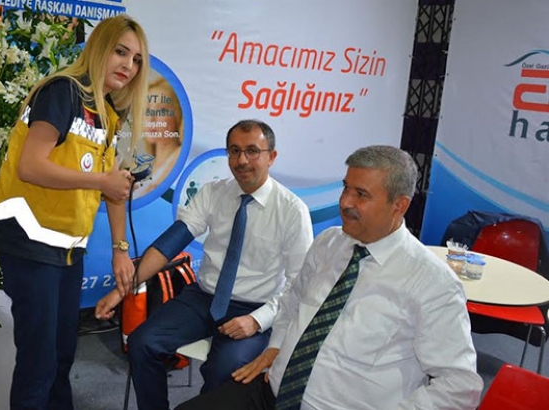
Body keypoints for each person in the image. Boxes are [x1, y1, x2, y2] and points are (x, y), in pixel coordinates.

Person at [175, 145, 484, 410]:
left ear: (399, 206)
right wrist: (276, 346)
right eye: (346, 188)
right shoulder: (329, 243)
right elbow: (293, 300)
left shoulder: (433, 282)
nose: (345, 202)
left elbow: (459, 386)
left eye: (361, 194)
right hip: (273, 392)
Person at [0, 15, 150, 410]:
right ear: (99, 49)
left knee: (61, 357)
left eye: (137, 59)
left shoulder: (106, 112)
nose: (128, 65)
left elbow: (114, 188)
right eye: (121, 52)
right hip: (28, 242)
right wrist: (101, 181)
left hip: (67, 251)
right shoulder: (62, 91)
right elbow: (30, 166)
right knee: (38, 364)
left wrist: (121, 249)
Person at [96, 119, 315, 410]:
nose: (242, 160)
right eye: (234, 151)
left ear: (271, 157)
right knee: (142, 342)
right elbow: (168, 245)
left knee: (225, 371)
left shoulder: (292, 211)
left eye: (252, 151)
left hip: (255, 307)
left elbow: (299, 284)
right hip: (204, 298)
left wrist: (257, 320)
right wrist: (121, 291)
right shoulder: (213, 193)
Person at [135, 75, 184, 197]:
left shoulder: (178, 156)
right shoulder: (148, 166)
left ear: (177, 115)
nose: (151, 119)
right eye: (147, 110)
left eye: (161, 111)